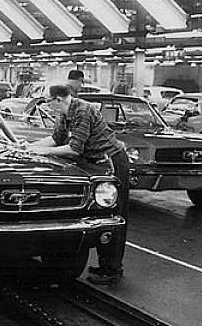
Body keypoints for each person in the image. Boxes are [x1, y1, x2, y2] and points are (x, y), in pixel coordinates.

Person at [27, 83, 129, 285]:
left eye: (47, 102)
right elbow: (56, 138)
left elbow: (74, 148)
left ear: (58, 99)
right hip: (94, 161)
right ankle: (106, 265)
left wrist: (43, 152)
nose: (46, 107)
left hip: (112, 161)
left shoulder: (82, 110)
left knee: (113, 213)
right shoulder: (64, 113)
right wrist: (29, 147)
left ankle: (112, 269)